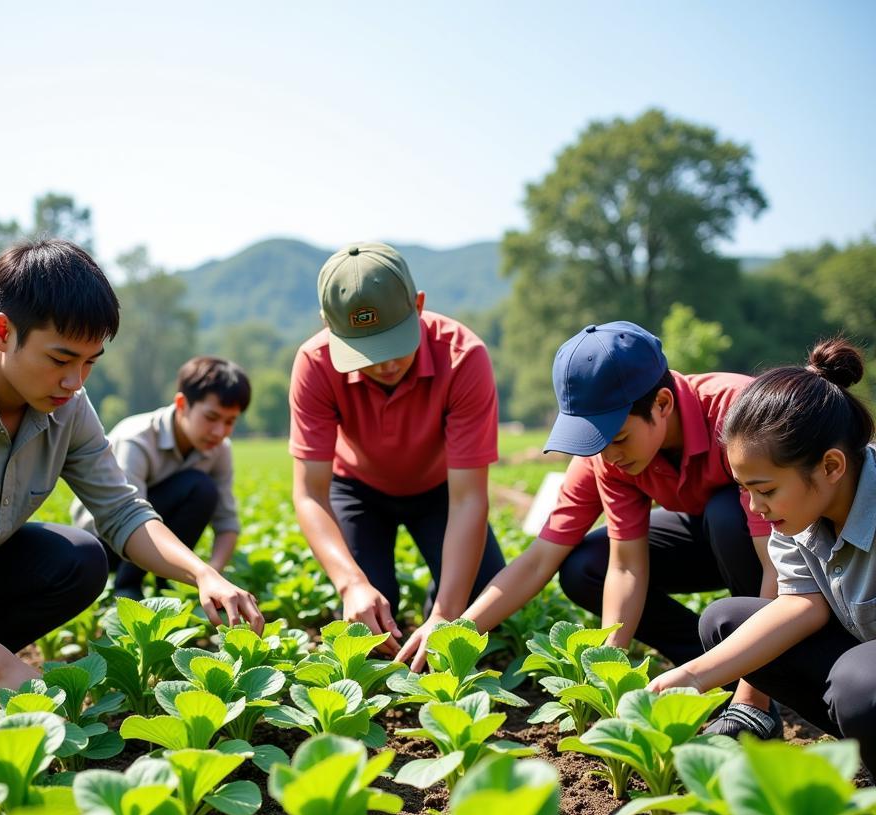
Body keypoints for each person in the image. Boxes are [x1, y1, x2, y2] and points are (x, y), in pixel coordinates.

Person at [0, 239, 262, 771]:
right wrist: (2, 669)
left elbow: (123, 510)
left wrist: (203, 573)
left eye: (91, 362)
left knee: (77, 558)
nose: (75, 381)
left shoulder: (66, 403)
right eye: (61, 359)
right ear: (3, 332)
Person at [398, 321, 778, 741]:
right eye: (594, 441)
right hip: (711, 541)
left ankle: (761, 686)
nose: (609, 456)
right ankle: (714, 667)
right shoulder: (608, 456)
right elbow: (571, 561)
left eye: (617, 437)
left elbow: (777, 563)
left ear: (663, 403)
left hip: (787, 556)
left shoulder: (739, 415)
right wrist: (456, 629)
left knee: (727, 515)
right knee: (585, 567)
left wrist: (752, 701)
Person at [648, 338, 876, 777]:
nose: (754, 507)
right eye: (744, 488)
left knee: (859, 682)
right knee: (725, 623)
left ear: (831, 467)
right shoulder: (803, 514)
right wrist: (693, 677)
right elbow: (799, 605)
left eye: (766, 489)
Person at [289, 241, 505, 655]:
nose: (385, 364)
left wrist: (445, 614)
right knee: (367, 618)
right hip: (358, 489)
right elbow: (310, 493)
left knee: (481, 599)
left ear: (419, 305)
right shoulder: (315, 363)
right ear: (328, 325)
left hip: (441, 490)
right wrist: (352, 584)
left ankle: (433, 610)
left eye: (395, 343)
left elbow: (469, 498)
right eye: (366, 352)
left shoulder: (463, 357)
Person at [72, 355, 250, 598]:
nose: (219, 431)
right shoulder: (136, 438)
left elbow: (227, 523)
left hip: (155, 542)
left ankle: (166, 586)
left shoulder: (219, 448)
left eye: (230, 421)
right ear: (182, 404)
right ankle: (126, 587)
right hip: (103, 543)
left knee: (203, 490)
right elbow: (123, 517)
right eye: (211, 417)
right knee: (198, 486)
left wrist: (213, 575)